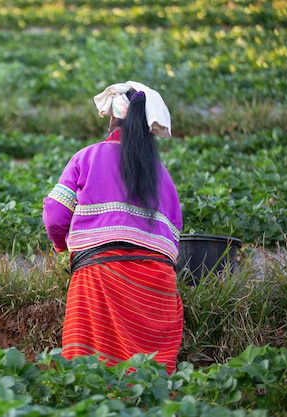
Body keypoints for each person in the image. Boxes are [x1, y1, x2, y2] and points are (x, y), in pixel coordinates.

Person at [42, 80, 183, 374]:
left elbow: (55, 215)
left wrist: (62, 245)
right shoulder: (163, 175)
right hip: (157, 289)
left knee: (91, 376)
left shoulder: (87, 157)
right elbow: (174, 242)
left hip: (100, 277)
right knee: (149, 385)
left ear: (111, 118)